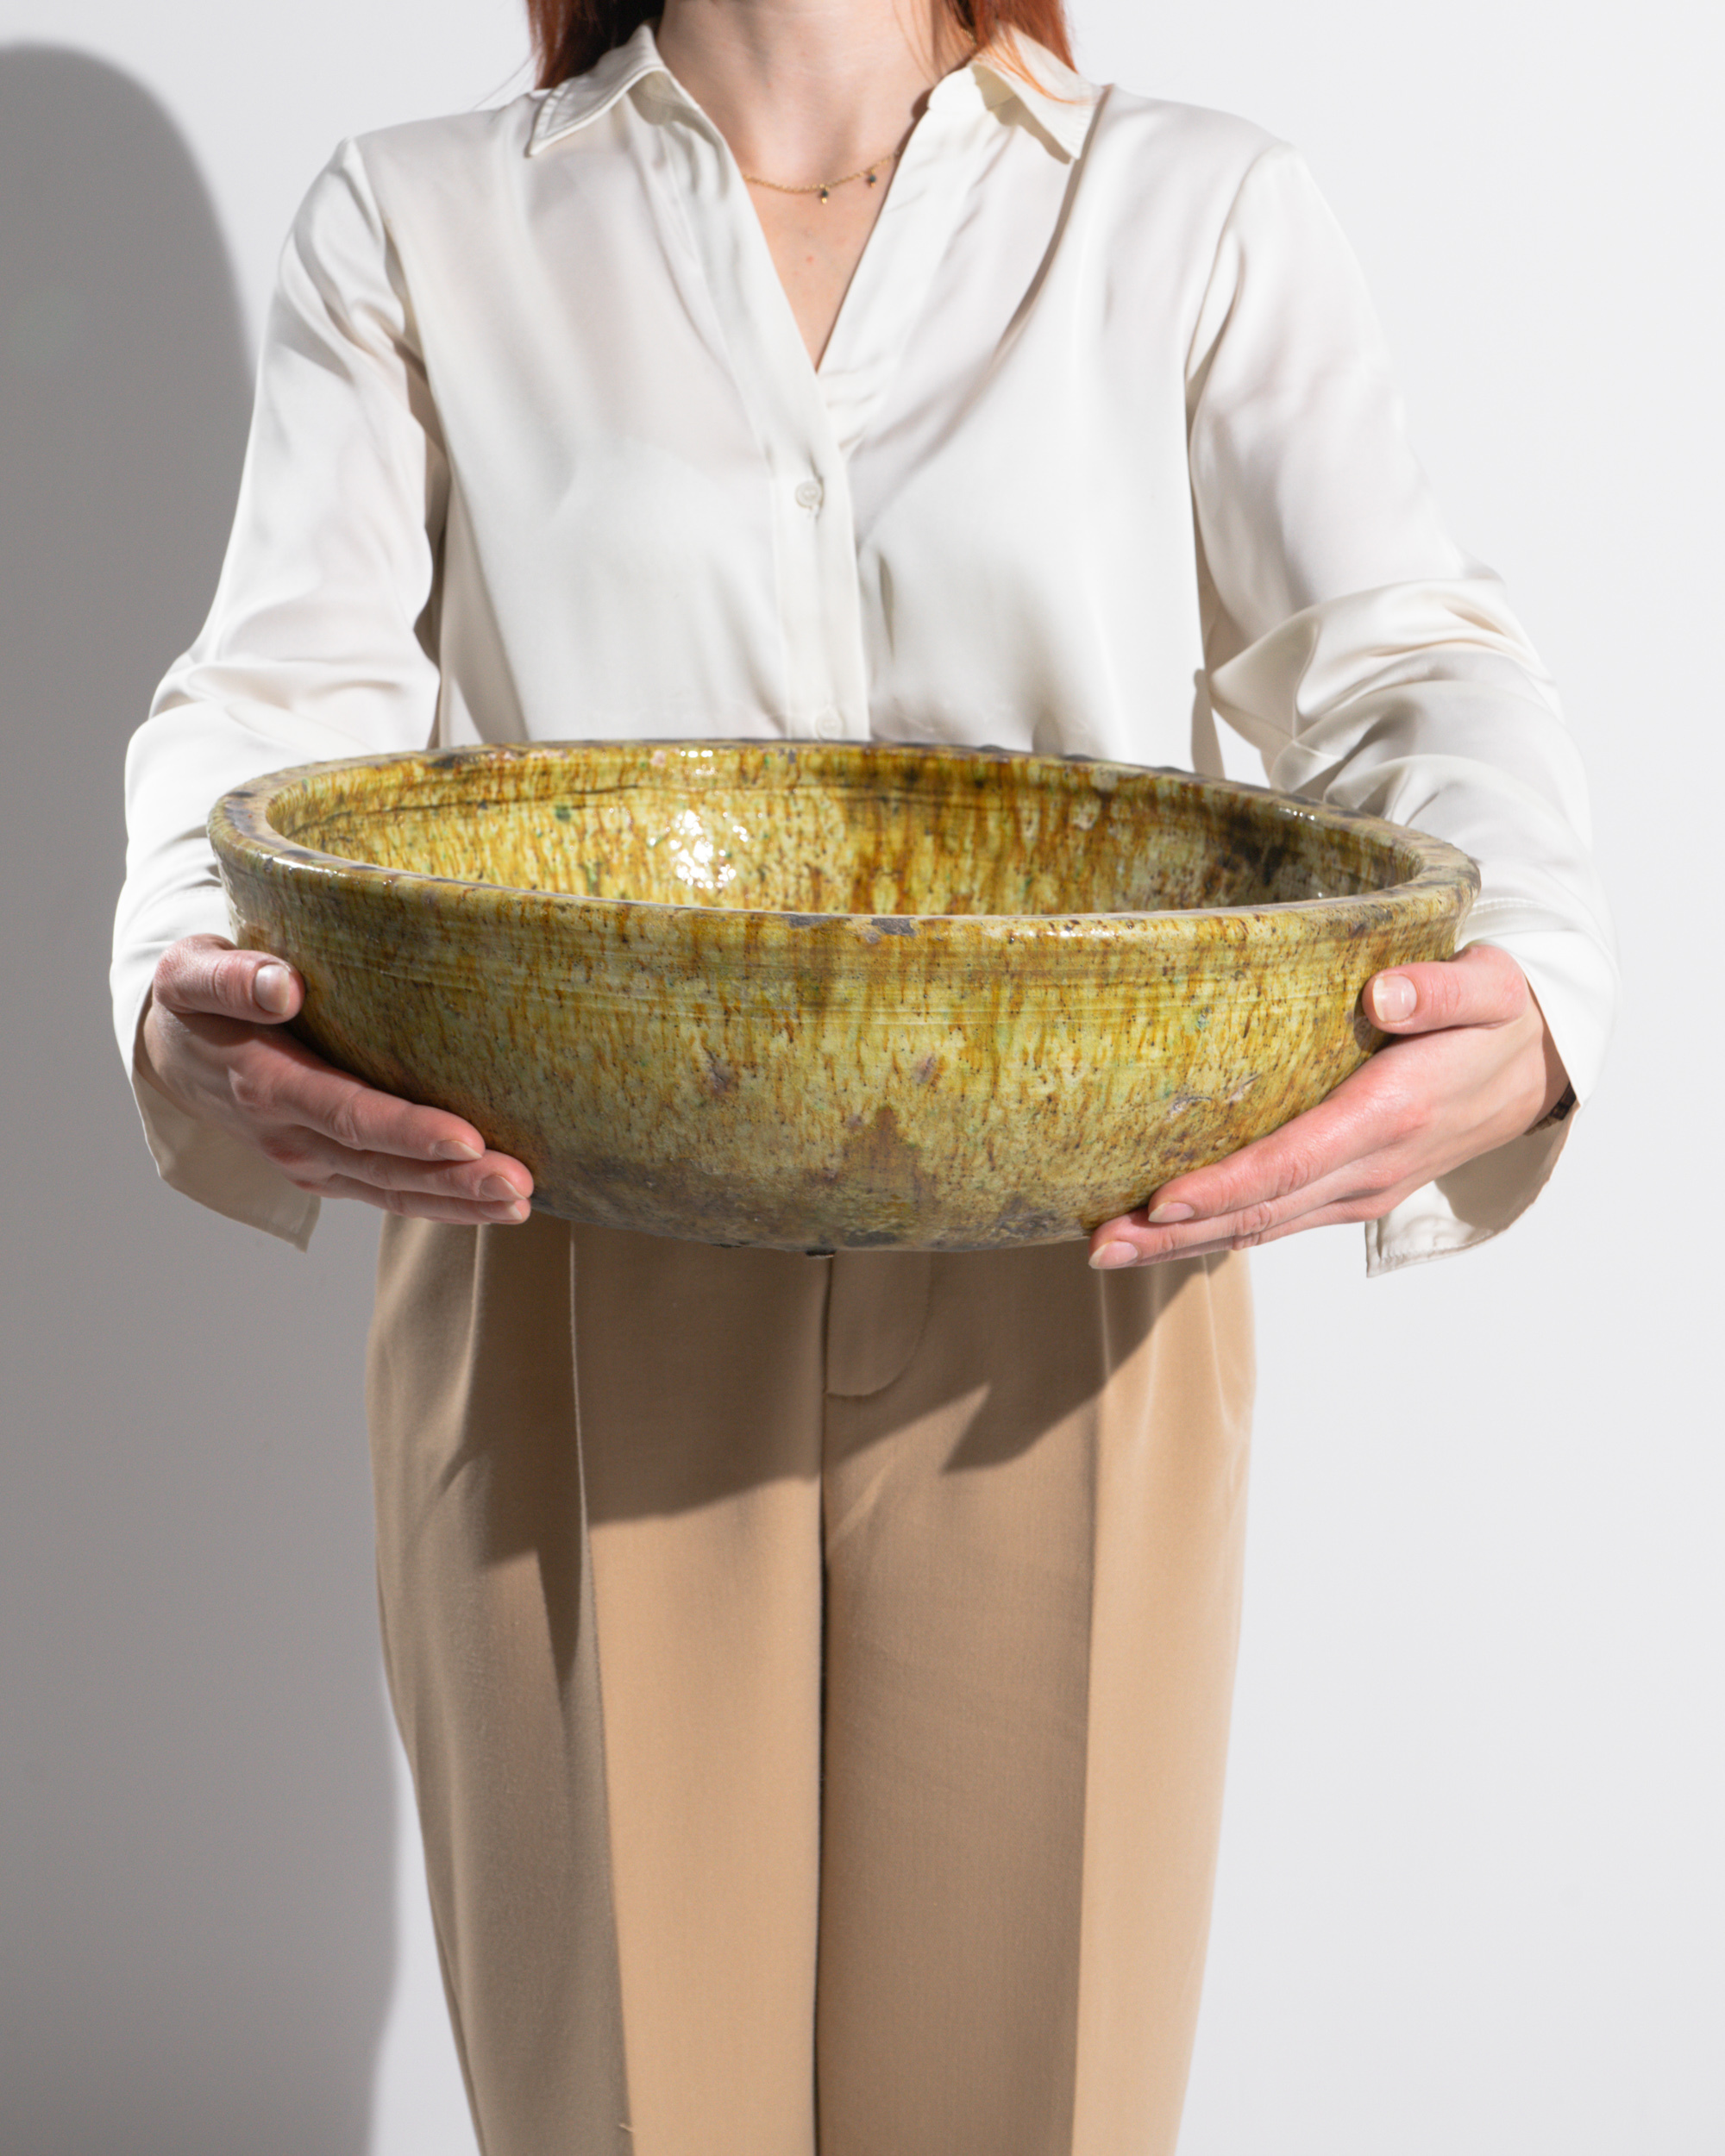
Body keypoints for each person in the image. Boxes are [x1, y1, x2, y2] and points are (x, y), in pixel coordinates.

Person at [111, 3, 1616, 2151]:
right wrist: (185, 975)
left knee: (1034, 2093)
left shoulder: (1190, 206)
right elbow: (272, 707)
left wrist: (1532, 983)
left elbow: (1406, 660)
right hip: (565, 1252)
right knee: (627, 2102)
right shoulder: (423, 219)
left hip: (1076, 1273)